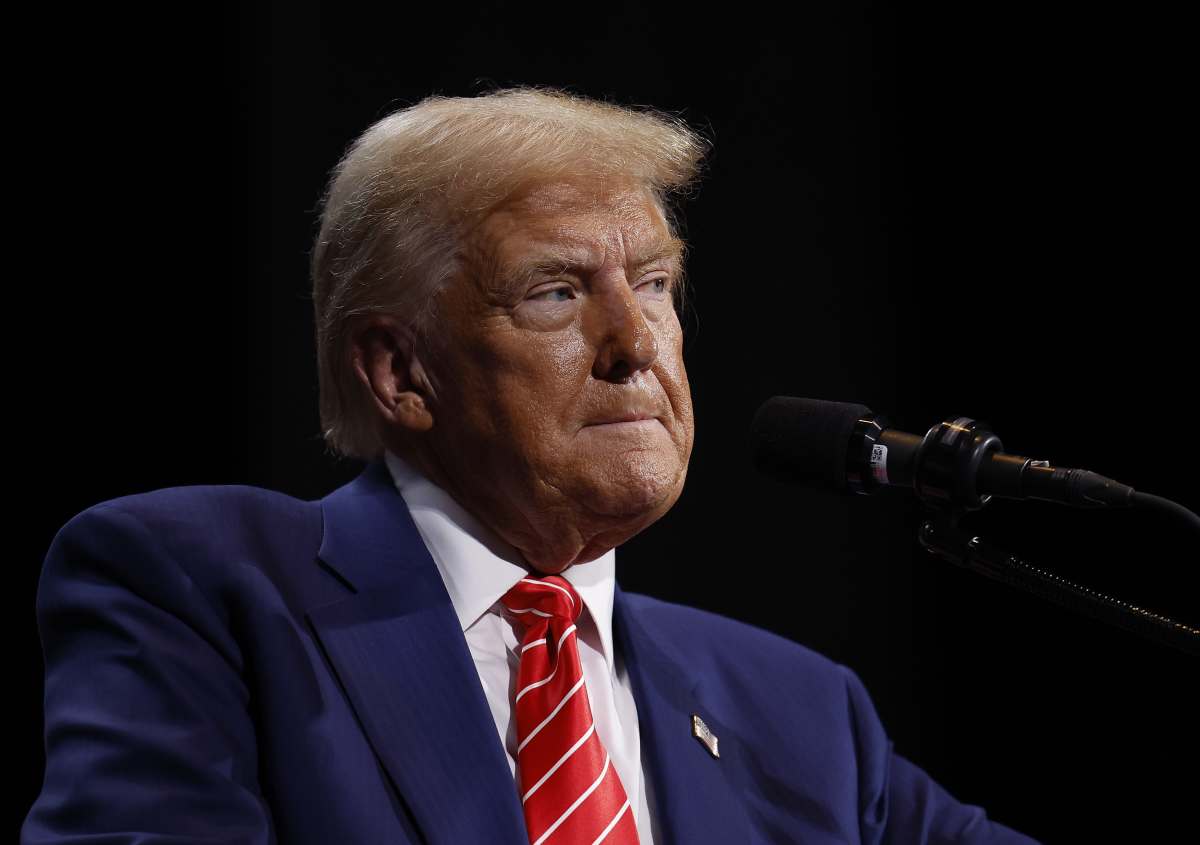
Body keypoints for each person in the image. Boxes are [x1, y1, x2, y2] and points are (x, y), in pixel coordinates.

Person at [22, 87, 1038, 844]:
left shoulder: (800, 710)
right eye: (556, 291)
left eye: (653, 283)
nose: (636, 342)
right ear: (399, 369)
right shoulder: (204, 590)